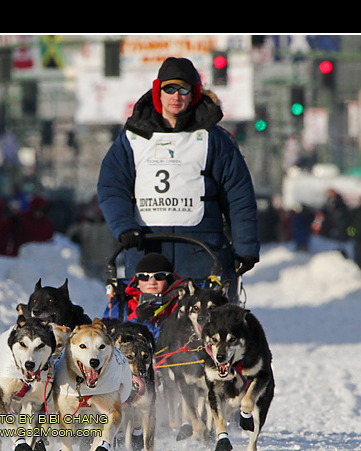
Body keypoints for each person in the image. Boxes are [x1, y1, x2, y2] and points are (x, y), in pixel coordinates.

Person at [97, 57, 260, 301]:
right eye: (169, 89)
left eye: (184, 90)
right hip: (147, 247)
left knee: (203, 329)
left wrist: (245, 248)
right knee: (146, 327)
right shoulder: (132, 138)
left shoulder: (214, 139)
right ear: (157, 92)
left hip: (202, 252)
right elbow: (112, 187)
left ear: (193, 94)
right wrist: (125, 228)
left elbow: (239, 195)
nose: (176, 96)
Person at [103, 253, 185, 337]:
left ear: (169, 280)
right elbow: (112, 335)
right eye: (144, 277)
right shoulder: (123, 302)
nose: (152, 282)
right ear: (137, 282)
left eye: (159, 276)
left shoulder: (181, 302)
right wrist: (137, 318)